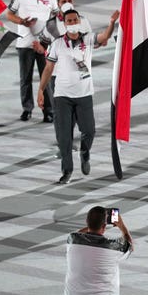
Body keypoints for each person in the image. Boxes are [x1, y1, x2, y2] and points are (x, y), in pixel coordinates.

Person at [37, 9, 118, 184]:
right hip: (62, 95)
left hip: (84, 93)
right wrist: (40, 90)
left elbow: (104, 37)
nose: (73, 23)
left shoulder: (88, 39)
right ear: (64, 24)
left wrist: (111, 23)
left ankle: (85, 152)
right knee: (64, 137)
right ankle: (67, 171)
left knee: (89, 131)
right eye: (69, 21)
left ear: (79, 21)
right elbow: (48, 68)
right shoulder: (58, 44)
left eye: (75, 20)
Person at [7, 0, 58, 123]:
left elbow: (56, 16)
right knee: (26, 78)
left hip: (45, 44)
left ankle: (48, 110)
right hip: (25, 44)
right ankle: (27, 109)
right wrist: (22, 21)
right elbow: (9, 14)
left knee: (47, 77)